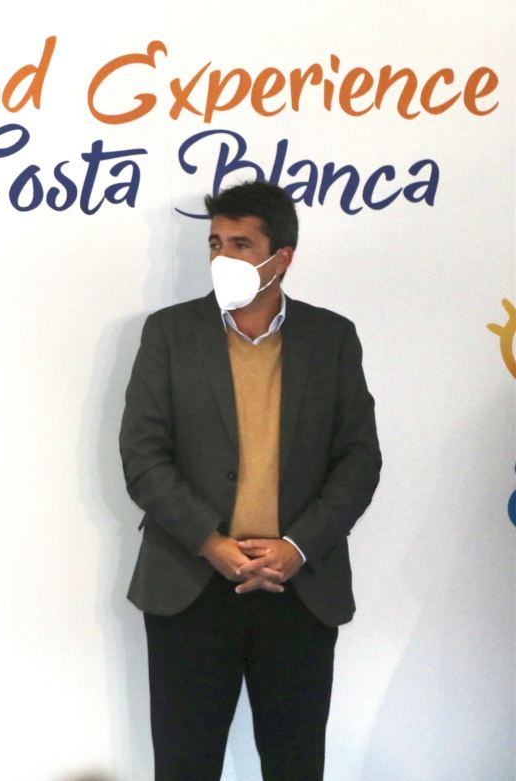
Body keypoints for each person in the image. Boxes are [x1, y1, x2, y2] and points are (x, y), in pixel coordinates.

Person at [118, 180, 382, 780]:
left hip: (297, 589)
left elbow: (359, 459)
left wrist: (297, 547)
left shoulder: (331, 338)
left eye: (241, 245)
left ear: (281, 257)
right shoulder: (169, 333)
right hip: (190, 584)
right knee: (185, 767)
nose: (223, 258)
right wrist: (211, 542)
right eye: (215, 244)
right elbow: (142, 456)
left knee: (295, 766)